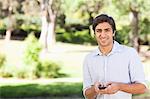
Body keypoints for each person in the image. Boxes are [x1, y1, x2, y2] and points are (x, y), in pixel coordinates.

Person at [83, 14, 147, 99]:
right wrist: (95, 89)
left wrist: (119, 87)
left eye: (107, 30)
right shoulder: (89, 59)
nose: (103, 34)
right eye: (99, 31)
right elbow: (87, 94)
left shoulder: (129, 54)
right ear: (94, 33)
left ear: (113, 32)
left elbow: (142, 88)